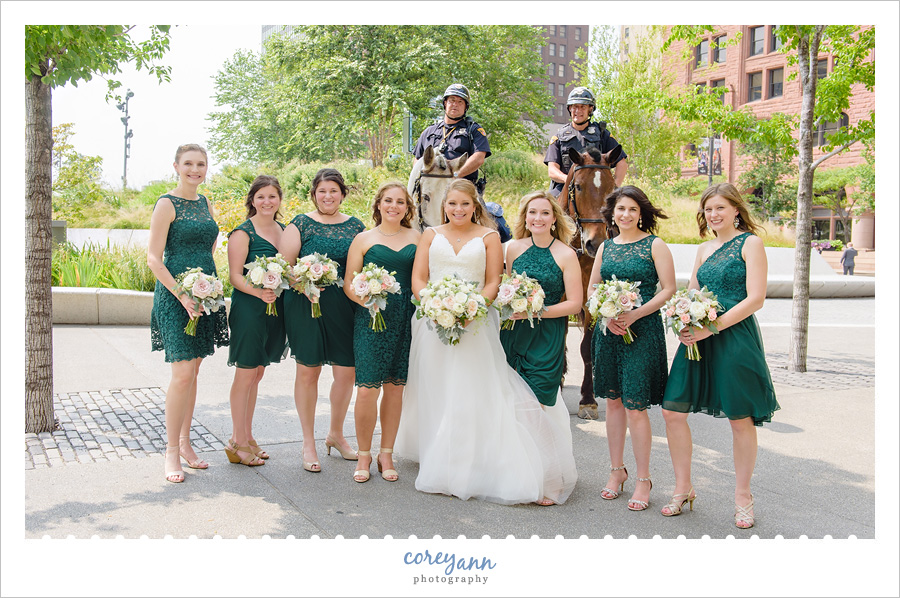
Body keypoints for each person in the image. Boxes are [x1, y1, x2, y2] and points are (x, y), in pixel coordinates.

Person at [395, 179, 578, 506]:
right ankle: (440, 454)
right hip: (431, 321)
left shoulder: (491, 237)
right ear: (444, 205)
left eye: (465, 204)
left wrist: (471, 308)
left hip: (475, 322)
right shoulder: (430, 234)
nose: (458, 209)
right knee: (437, 389)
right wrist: (435, 306)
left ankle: (472, 463)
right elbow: (419, 280)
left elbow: (494, 280)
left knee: (473, 390)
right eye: (452, 204)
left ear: (475, 206)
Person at [660, 182, 780, 529]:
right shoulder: (703, 248)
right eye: (708, 210)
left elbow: (755, 299)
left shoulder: (751, 244)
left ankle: (743, 495)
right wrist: (681, 316)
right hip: (697, 337)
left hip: (733, 337)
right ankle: (683, 487)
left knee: (739, 418)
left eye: (720, 208)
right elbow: (693, 292)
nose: (713, 215)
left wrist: (709, 328)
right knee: (671, 411)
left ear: (736, 210)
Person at [587, 186, 676, 512]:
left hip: (643, 333)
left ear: (642, 214)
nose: (625, 215)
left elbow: (668, 289)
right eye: (620, 209)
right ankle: (616, 471)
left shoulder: (655, 245)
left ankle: (643, 479)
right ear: (611, 213)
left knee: (636, 407)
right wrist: (607, 315)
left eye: (632, 210)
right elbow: (593, 288)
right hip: (610, 333)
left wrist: (635, 313)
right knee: (613, 403)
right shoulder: (605, 248)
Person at [148, 144, 228, 483]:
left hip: (203, 296)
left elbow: (209, 248)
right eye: (189, 164)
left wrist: (206, 286)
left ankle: (185, 443)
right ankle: (170, 451)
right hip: (175, 296)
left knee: (193, 371)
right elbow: (154, 257)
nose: (195, 169)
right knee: (181, 374)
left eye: (201, 164)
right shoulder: (167, 204)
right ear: (177, 166)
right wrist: (182, 293)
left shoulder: (207, 203)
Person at [281, 169, 366, 473]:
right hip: (305, 304)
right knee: (309, 371)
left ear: (343, 194)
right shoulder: (299, 224)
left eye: (333, 191)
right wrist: (305, 281)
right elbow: (284, 267)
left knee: (346, 372)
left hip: (343, 306)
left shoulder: (356, 226)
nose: (327, 196)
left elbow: (361, 268)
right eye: (321, 191)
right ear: (313, 194)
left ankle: (336, 434)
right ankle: (307, 442)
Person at [343, 182, 421, 483]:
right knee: (366, 389)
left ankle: (386, 453)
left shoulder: (418, 237)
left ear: (407, 208)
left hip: (406, 319)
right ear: (378, 204)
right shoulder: (363, 239)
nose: (394, 206)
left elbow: (422, 276)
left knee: (395, 388)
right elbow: (349, 283)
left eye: (400, 202)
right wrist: (366, 298)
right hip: (371, 319)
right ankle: (364, 454)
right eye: (388, 200)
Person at [224, 175, 287, 467]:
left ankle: (247, 436)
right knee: (246, 373)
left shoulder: (284, 231)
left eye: (272, 196)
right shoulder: (242, 233)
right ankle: (236, 441)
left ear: (279, 199)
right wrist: (258, 292)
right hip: (250, 308)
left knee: (258, 373)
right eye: (261, 196)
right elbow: (235, 276)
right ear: (252, 200)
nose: (266, 202)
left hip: (274, 310)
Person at [499, 190, 583, 409]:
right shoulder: (514, 249)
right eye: (533, 212)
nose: (538, 218)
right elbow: (508, 289)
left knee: (538, 404)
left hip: (547, 337)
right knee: (513, 404)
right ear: (525, 217)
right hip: (514, 333)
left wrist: (536, 311)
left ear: (554, 218)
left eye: (545, 213)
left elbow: (574, 303)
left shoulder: (566, 254)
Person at [413, 83, 512, 242]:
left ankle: (495, 250)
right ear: (445, 103)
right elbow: (417, 160)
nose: (455, 105)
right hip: (430, 192)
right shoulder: (429, 132)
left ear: (465, 107)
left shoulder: (473, 130)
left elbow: (479, 157)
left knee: (493, 227)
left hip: (463, 188)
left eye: (460, 102)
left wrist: (455, 176)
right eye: (452, 100)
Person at [545, 87, 628, 197]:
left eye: (582, 107)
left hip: (597, 187)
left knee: (622, 207)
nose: (578, 111)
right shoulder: (559, 137)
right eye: (575, 107)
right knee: (547, 207)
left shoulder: (602, 134)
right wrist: (571, 180)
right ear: (569, 108)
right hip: (565, 186)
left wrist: (614, 187)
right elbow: (552, 170)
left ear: (590, 109)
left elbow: (622, 163)